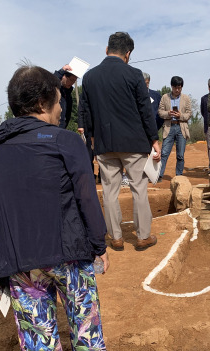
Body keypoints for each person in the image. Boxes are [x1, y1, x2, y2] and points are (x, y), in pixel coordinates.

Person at [0, 65, 125, 351]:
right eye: (59, 100)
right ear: (45, 101)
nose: (61, 108)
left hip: (17, 258)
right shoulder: (64, 141)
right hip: (68, 252)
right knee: (83, 321)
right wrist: (98, 245)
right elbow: (86, 198)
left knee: (36, 329)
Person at [80, 32, 161, 252]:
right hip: (134, 142)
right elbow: (145, 110)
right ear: (128, 54)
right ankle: (143, 236)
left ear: (106, 50)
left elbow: (86, 111)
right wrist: (154, 139)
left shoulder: (90, 77)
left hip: (105, 143)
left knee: (109, 191)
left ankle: (115, 237)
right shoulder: (134, 75)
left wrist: (92, 136)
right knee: (139, 188)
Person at [158, 75, 192, 180]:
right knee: (164, 153)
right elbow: (160, 112)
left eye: (179, 88)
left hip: (181, 128)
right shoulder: (164, 97)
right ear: (171, 87)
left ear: (181, 87)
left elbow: (189, 113)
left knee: (180, 155)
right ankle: (159, 175)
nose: (177, 90)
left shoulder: (186, 98)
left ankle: (179, 176)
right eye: (175, 87)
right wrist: (168, 113)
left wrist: (180, 116)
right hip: (169, 127)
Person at [53, 65, 76, 129]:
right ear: (64, 76)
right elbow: (49, 83)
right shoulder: (54, 89)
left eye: (74, 81)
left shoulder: (68, 95)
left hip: (61, 129)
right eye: (71, 80)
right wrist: (61, 72)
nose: (72, 83)